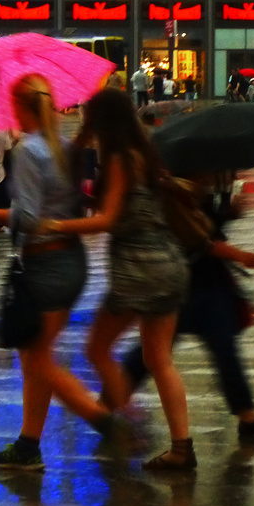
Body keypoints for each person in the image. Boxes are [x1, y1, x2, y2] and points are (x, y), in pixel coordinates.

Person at [0, 75, 131, 472]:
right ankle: (28, 444)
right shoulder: (68, 149)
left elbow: (30, 218)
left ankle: (101, 418)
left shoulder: (29, 152)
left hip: (45, 265)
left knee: (37, 361)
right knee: (36, 354)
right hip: (72, 263)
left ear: (20, 108)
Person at [42, 89, 193, 469]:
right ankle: (181, 447)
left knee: (96, 350)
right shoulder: (140, 153)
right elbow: (120, 207)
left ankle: (128, 420)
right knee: (159, 358)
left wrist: (55, 224)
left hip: (139, 270)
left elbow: (107, 220)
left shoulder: (120, 159)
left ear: (102, 120)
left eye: (88, 117)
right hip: (167, 263)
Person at [120, 176, 254, 438]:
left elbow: (208, 227)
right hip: (186, 285)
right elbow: (200, 241)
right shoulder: (175, 189)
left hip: (208, 283)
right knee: (154, 352)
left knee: (224, 349)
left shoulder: (196, 189)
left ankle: (247, 416)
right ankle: (108, 403)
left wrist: (229, 213)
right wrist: (240, 255)